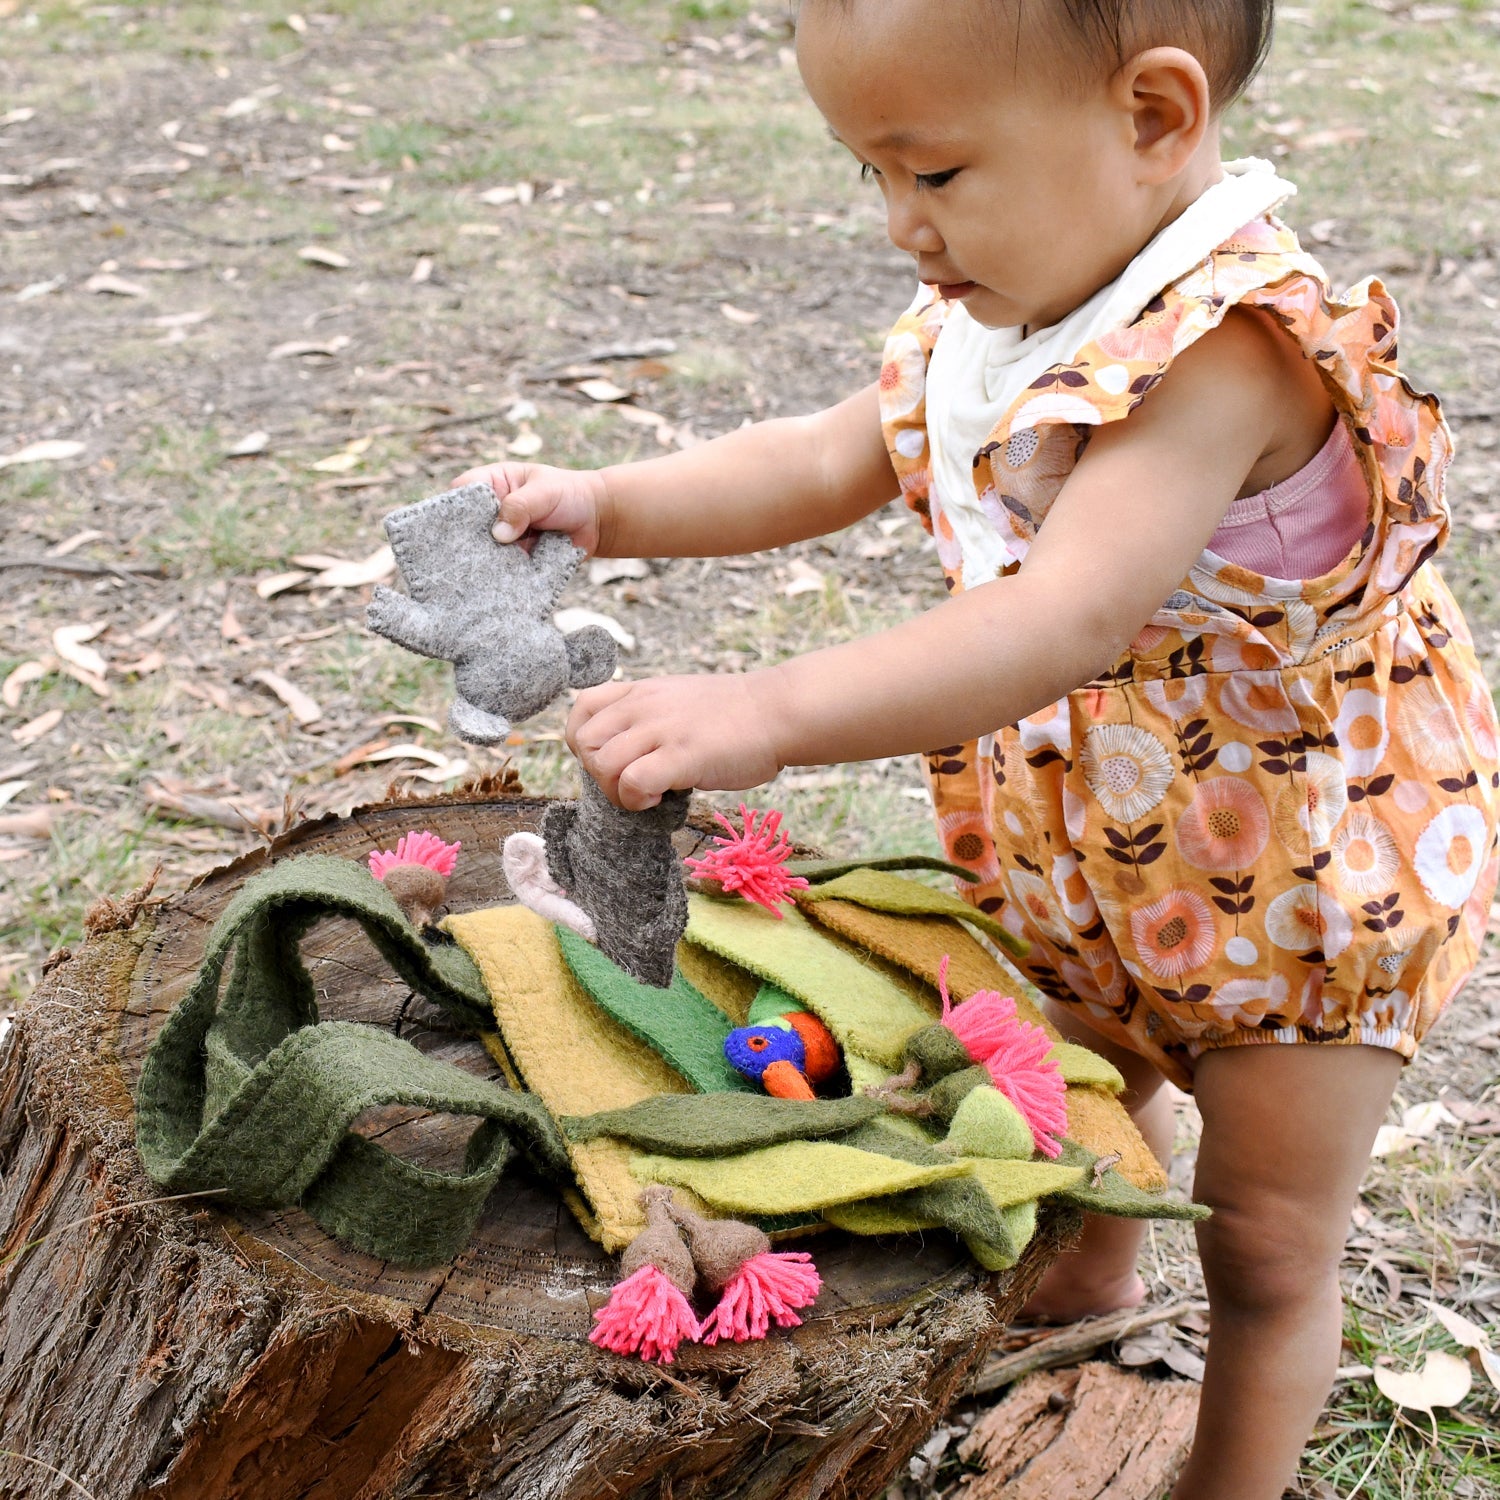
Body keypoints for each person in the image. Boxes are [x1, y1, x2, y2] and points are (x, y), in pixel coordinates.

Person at [457, 1, 1500, 1492]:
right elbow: (829, 454)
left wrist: (764, 711)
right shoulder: (1009, 305)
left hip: (1303, 887)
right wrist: (610, 504)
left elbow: (1062, 617)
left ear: (1152, 116)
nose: (900, 224)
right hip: (1096, 852)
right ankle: (1084, 1290)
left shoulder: (1232, 352)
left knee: (1269, 1242)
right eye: (867, 174)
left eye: (934, 173)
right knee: (1080, 1085)